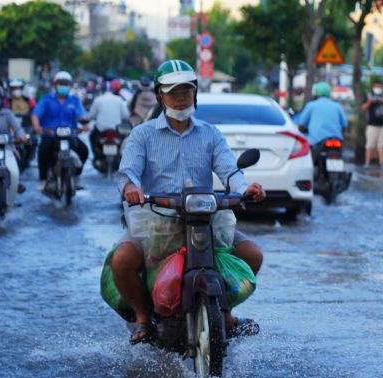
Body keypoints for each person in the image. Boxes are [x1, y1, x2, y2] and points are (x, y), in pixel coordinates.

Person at [112, 60, 267, 345]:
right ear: (160, 96)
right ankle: (143, 317)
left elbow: (231, 172)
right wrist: (131, 187)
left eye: (186, 90)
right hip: (155, 220)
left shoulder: (211, 134)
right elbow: (126, 173)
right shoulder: (142, 135)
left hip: (205, 219)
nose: (181, 97)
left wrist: (246, 189)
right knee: (121, 261)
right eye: (173, 92)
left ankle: (226, 314)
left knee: (253, 254)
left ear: (195, 92)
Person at [31, 71, 90, 191]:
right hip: (50, 136)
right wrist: (37, 126)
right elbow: (36, 114)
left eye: (66, 84)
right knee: (43, 151)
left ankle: (76, 176)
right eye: (61, 84)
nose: (63, 86)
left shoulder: (74, 100)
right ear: (55, 84)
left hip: (70, 136)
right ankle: (43, 179)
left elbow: (81, 115)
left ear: (70, 85)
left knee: (84, 151)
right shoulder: (46, 99)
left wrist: (84, 124)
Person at [293, 82, 348, 159]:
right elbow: (344, 125)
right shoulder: (337, 106)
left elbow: (302, 124)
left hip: (316, 141)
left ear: (317, 93)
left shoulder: (311, 106)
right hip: (336, 140)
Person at [88, 81, 130, 161]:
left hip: (100, 130)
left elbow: (91, 116)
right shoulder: (119, 99)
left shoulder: (98, 100)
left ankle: (96, 156)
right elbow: (126, 115)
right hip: (116, 130)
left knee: (91, 137)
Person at [360, 79, 383, 168]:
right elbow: (363, 108)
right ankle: (367, 163)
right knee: (369, 144)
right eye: (376, 86)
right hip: (372, 124)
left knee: (382, 145)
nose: (377, 88)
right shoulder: (369, 95)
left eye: (379, 86)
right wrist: (370, 102)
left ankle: (381, 163)